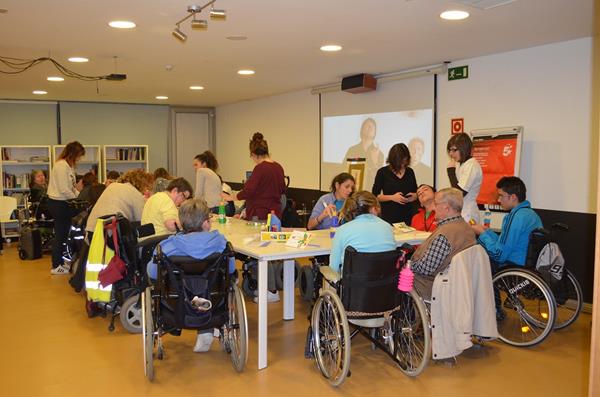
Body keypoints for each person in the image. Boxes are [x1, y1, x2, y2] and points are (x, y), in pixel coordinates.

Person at [146, 198, 236, 353]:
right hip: (212, 300)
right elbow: (231, 269)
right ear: (206, 223)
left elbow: (152, 273)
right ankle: (206, 330)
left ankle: (203, 331)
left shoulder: (166, 246)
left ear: (181, 224)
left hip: (176, 304)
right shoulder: (222, 243)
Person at [411, 188, 477, 299]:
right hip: (459, 284)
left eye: (436, 204)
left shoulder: (444, 235)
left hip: (431, 286)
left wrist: (407, 265)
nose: (433, 207)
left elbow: (426, 268)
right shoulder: (467, 228)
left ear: (446, 207)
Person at [472, 176, 542, 267]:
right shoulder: (530, 214)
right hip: (526, 264)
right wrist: (487, 232)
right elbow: (504, 243)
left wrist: (481, 234)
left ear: (513, 197)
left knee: (474, 259)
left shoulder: (515, 216)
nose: (498, 200)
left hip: (512, 266)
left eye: (501, 196)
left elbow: (499, 255)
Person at [222, 132, 286, 220]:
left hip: (260, 214)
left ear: (254, 155)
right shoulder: (279, 167)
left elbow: (248, 191)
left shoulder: (260, 168)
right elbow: (282, 190)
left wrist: (231, 197)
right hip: (275, 215)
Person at [329, 191, 396, 273]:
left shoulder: (342, 230)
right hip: (386, 283)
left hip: (354, 284)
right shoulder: (388, 227)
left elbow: (333, 268)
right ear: (373, 208)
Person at [47, 141, 85, 275]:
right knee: (61, 234)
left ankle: (61, 262)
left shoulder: (69, 166)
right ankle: (56, 265)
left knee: (64, 234)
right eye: (79, 155)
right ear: (73, 154)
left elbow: (72, 187)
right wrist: (77, 199)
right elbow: (64, 189)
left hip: (63, 203)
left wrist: (80, 196)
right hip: (58, 204)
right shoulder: (61, 166)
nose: (79, 159)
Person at [85, 169, 154, 239]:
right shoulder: (135, 193)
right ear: (142, 184)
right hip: (110, 235)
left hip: (92, 230)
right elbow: (142, 220)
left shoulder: (112, 186)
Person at [372, 143, 418, 225]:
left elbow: (415, 191)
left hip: (408, 215)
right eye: (400, 160)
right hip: (389, 216)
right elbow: (375, 196)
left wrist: (414, 196)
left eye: (405, 159)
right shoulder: (382, 172)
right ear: (393, 159)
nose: (403, 163)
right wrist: (392, 197)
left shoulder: (410, 172)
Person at [446, 133, 482, 224]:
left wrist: (451, 172)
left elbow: (460, 193)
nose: (451, 154)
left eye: (454, 150)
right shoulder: (460, 164)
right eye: (450, 150)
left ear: (464, 148)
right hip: (461, 211)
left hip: (468, 214)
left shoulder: (471, 165)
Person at [344, 117, 384, 190]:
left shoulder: (379, 154)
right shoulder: (352, 150)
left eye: (372, 127)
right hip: (353, 191)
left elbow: (380, 178)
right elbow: (344, 169)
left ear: (375, 132)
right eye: (367, 126)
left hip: (371, 192)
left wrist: (374, 161)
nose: (369, 128)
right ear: (362, 129)